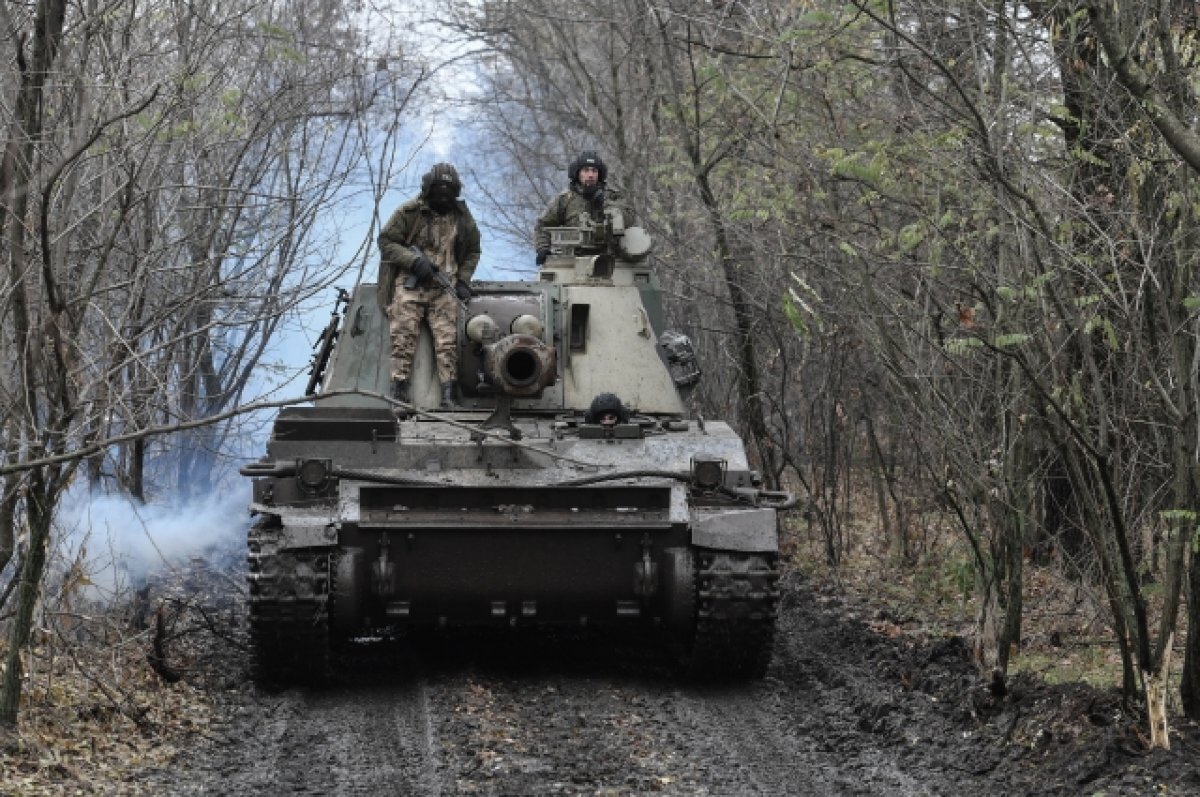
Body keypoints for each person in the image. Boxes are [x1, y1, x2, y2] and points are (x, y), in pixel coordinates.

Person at [378, 162, 480, 409]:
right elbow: (387, 242)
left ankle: (449, 396)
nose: (443, 194)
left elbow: (473, 250)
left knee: (449, 343)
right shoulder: (410, 212)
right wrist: (414, 262)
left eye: (449, 189)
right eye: (438, 188)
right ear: (428, 188)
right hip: (410, 285)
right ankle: (398, 395)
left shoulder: (462, 218)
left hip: (444, 288)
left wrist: (464, 280)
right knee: (402, 339)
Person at [534, 150, 634, 264]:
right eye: (586, 170)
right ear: (578, 173)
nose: (590, 175)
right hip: (572, 260)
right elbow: (542, 224)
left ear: (599, 174)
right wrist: (543, 248)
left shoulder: (613, 196)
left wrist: (603, 202)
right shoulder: (565, 199)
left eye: (594, 171)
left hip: (610, 260)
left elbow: (629, 218)